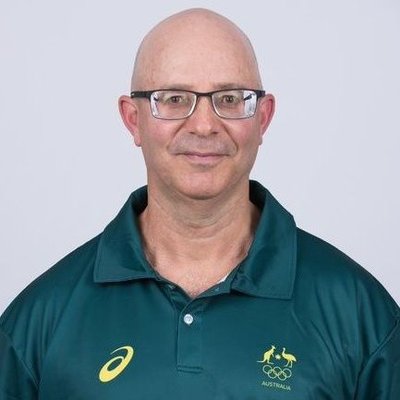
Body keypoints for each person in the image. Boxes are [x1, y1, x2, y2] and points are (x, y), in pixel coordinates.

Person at [0, 7, 399, 399]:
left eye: (230, 99)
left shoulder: (361, 315)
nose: (205, 125)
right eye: (174, 99)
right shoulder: (39, 323)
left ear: (262, 118)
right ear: (133, 119)